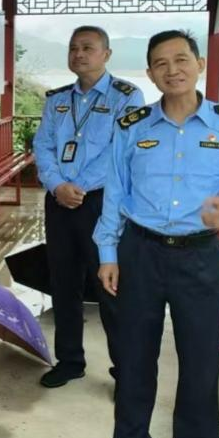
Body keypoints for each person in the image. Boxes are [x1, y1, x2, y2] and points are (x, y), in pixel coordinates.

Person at [90, 30, 219, 438]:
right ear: (150, 73)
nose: (172, 70)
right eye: (161, 63)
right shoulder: (132, 126)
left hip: (199, 256)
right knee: (134, 356)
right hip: (140, 252)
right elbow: (115, 191)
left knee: (199, 360)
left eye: (181, 59)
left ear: (200, 64)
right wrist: (108, 253)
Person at [31, 25, 144, 389]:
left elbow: (121, 151)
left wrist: (77, 186)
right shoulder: (57, 100)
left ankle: (126, 372)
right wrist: (57, 185)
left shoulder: (127, 96)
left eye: (88, 48)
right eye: (73, 48)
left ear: (106, 54)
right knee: (63, 283)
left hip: (102, 203)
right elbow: (43, 146)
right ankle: (69, 361)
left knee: (109, 285)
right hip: (59, 201)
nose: (79, 54)